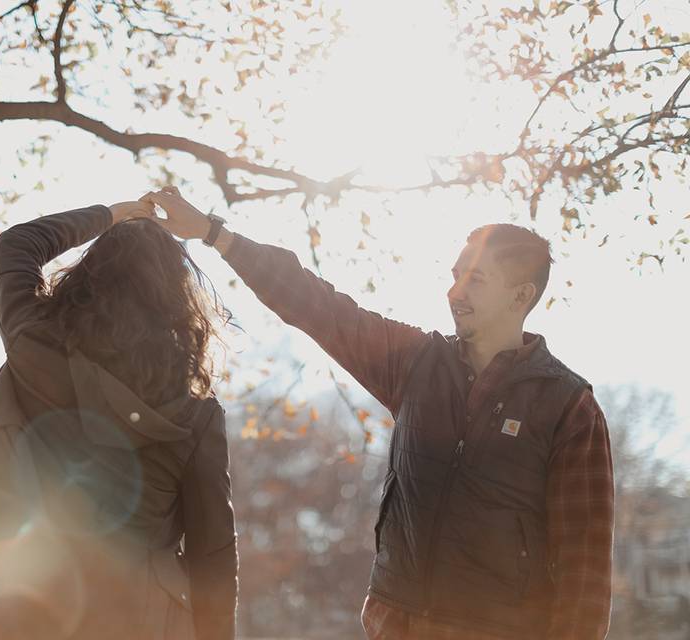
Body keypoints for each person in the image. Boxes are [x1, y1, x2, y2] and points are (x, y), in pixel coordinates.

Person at [141, 186, 614, 640]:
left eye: (476, 279)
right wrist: (213, 233)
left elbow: (585, 573)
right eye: (454, 275)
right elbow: (316, 305)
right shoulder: (414, 364)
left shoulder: (568, 407)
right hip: (396, 624)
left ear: (520, 297)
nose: (455, 291)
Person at [0, 202, 238, 640]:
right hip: (148, 618)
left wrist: (117, 214)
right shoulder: (199, 412)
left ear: (87, 278)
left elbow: (16, 244)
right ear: (176, 301)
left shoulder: (34, 344)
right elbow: (211, 549)